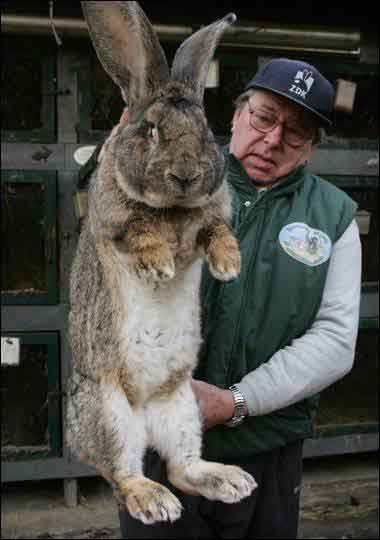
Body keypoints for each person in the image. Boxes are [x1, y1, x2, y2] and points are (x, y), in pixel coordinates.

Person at [87, 58, 361, 538]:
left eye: (296, 133)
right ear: (235, 115)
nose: (273, 140)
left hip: (268, 449)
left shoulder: (333, 216)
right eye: (264, 117)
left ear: (311, 149)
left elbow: (336, 339)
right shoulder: (174, 176)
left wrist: (238, 402)